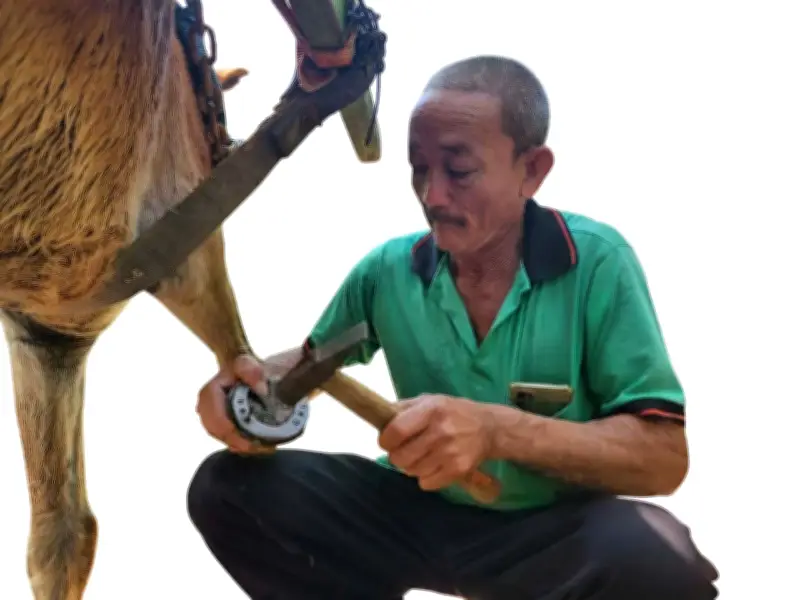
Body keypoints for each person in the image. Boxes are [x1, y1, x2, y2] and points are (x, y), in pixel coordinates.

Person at [187, 55, 719, 600]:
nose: (432, 195)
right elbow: (315, 363)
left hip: (549, 531)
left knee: (658, 561)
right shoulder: (387, 272)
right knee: (226, 490)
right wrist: (252, 384)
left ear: (532, 170)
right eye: (419, 168)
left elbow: (663, 457)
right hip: (415, 513)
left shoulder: (597, 263)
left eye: (459, 172)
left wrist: (495, 430)